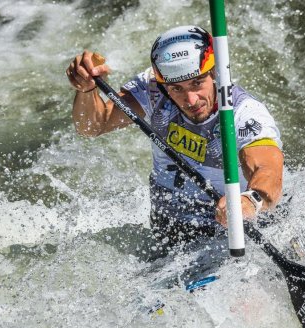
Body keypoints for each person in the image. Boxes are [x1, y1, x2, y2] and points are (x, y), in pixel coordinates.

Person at [66, 25, 284, 247]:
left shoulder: (243, 112)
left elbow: (268, 169)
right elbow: (92, 126)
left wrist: (249, 201)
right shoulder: (152, 88)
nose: (190, 100)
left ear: (215, 72)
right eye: (176, 88)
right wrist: (86, 90)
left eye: (197, 83)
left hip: (241, 227)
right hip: (173, 224)